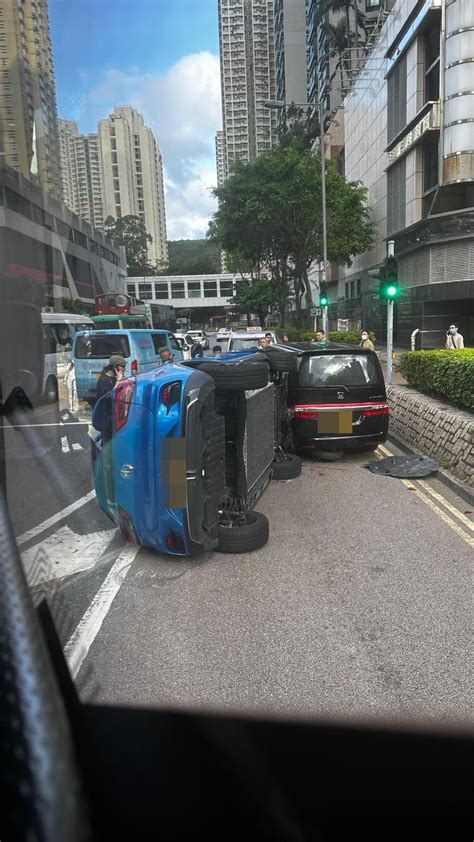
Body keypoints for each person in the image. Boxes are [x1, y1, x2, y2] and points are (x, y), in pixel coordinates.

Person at [95, 355, 125, 439]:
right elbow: (110, 395)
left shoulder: (114, 378)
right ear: (114, 367)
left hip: (115, 416)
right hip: (106, 418)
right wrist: (118, 381)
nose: (124, 369)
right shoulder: (104, 380)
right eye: (122, 366)